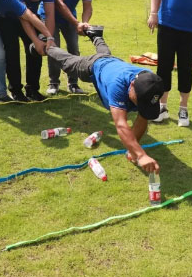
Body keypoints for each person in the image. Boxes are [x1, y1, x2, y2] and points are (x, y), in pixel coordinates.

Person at [46, 30, 164, 173]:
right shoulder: (118, 85)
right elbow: (121, 124)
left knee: (105, 54)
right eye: (139, 101)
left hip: (113, 62)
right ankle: (45, 46)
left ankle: (96, 35)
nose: (140, 106)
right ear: (132, 86)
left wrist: (133, 151)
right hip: (91, 66)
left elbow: (143, 116)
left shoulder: (150, 81)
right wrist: (141, 155)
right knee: (67, 62)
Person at [39, 0, 94, 96]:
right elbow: (59, 5)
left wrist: (84, 23)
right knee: (54, 48)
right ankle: (54, 83)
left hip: (70, 18)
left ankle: (73, 83)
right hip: (50, 16)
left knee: (74, 49)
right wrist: (77, 23)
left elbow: (87, 6)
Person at [0, 0, 54, 102]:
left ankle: (33, 89)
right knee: (12, 52)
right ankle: (16, 91)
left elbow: (50, 14)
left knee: (36, 50)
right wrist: (36, 39)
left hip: (32, 17)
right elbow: (23, 16)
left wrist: (49, 38)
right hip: (8, 18)